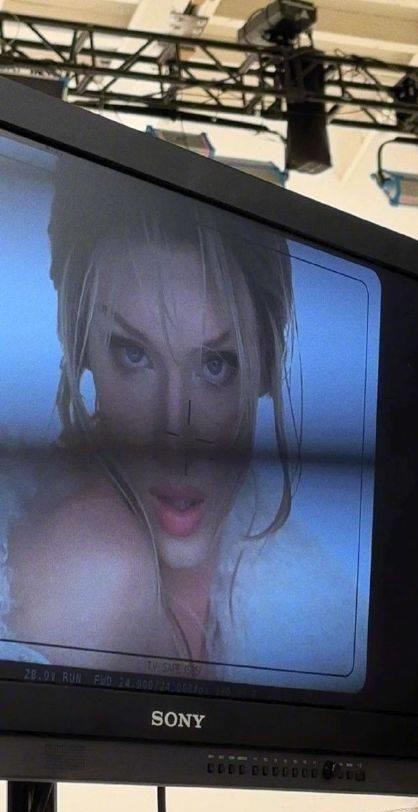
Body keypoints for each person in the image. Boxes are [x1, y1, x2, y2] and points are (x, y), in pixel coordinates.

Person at [0, 153, 327, 677]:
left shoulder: (300, 598)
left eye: (217, 364)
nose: (176, 437)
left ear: (267, 362)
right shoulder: (92, 565)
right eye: (133, 354)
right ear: (80, 344)